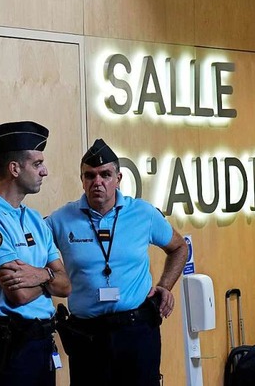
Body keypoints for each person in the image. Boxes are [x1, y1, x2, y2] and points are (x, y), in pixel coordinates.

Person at [45, 138, 188, 386]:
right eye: (89, 176)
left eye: (105, 175)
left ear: (118, 179)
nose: (97, 182)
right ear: (82, 180)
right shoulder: (61, 219)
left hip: (137, 331)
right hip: (87, 336)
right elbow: (30, 250)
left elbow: (178, 248)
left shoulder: (143, 214)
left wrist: (165, 285)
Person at [0, 121, 71, 386]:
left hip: (40, 341)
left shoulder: (35, 219)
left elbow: (66, 285)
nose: (44, 171)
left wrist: (39, 274)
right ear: (14, 168)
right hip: (9, 347)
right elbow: (19, 294)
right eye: (37, 164)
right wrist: (50, 276)